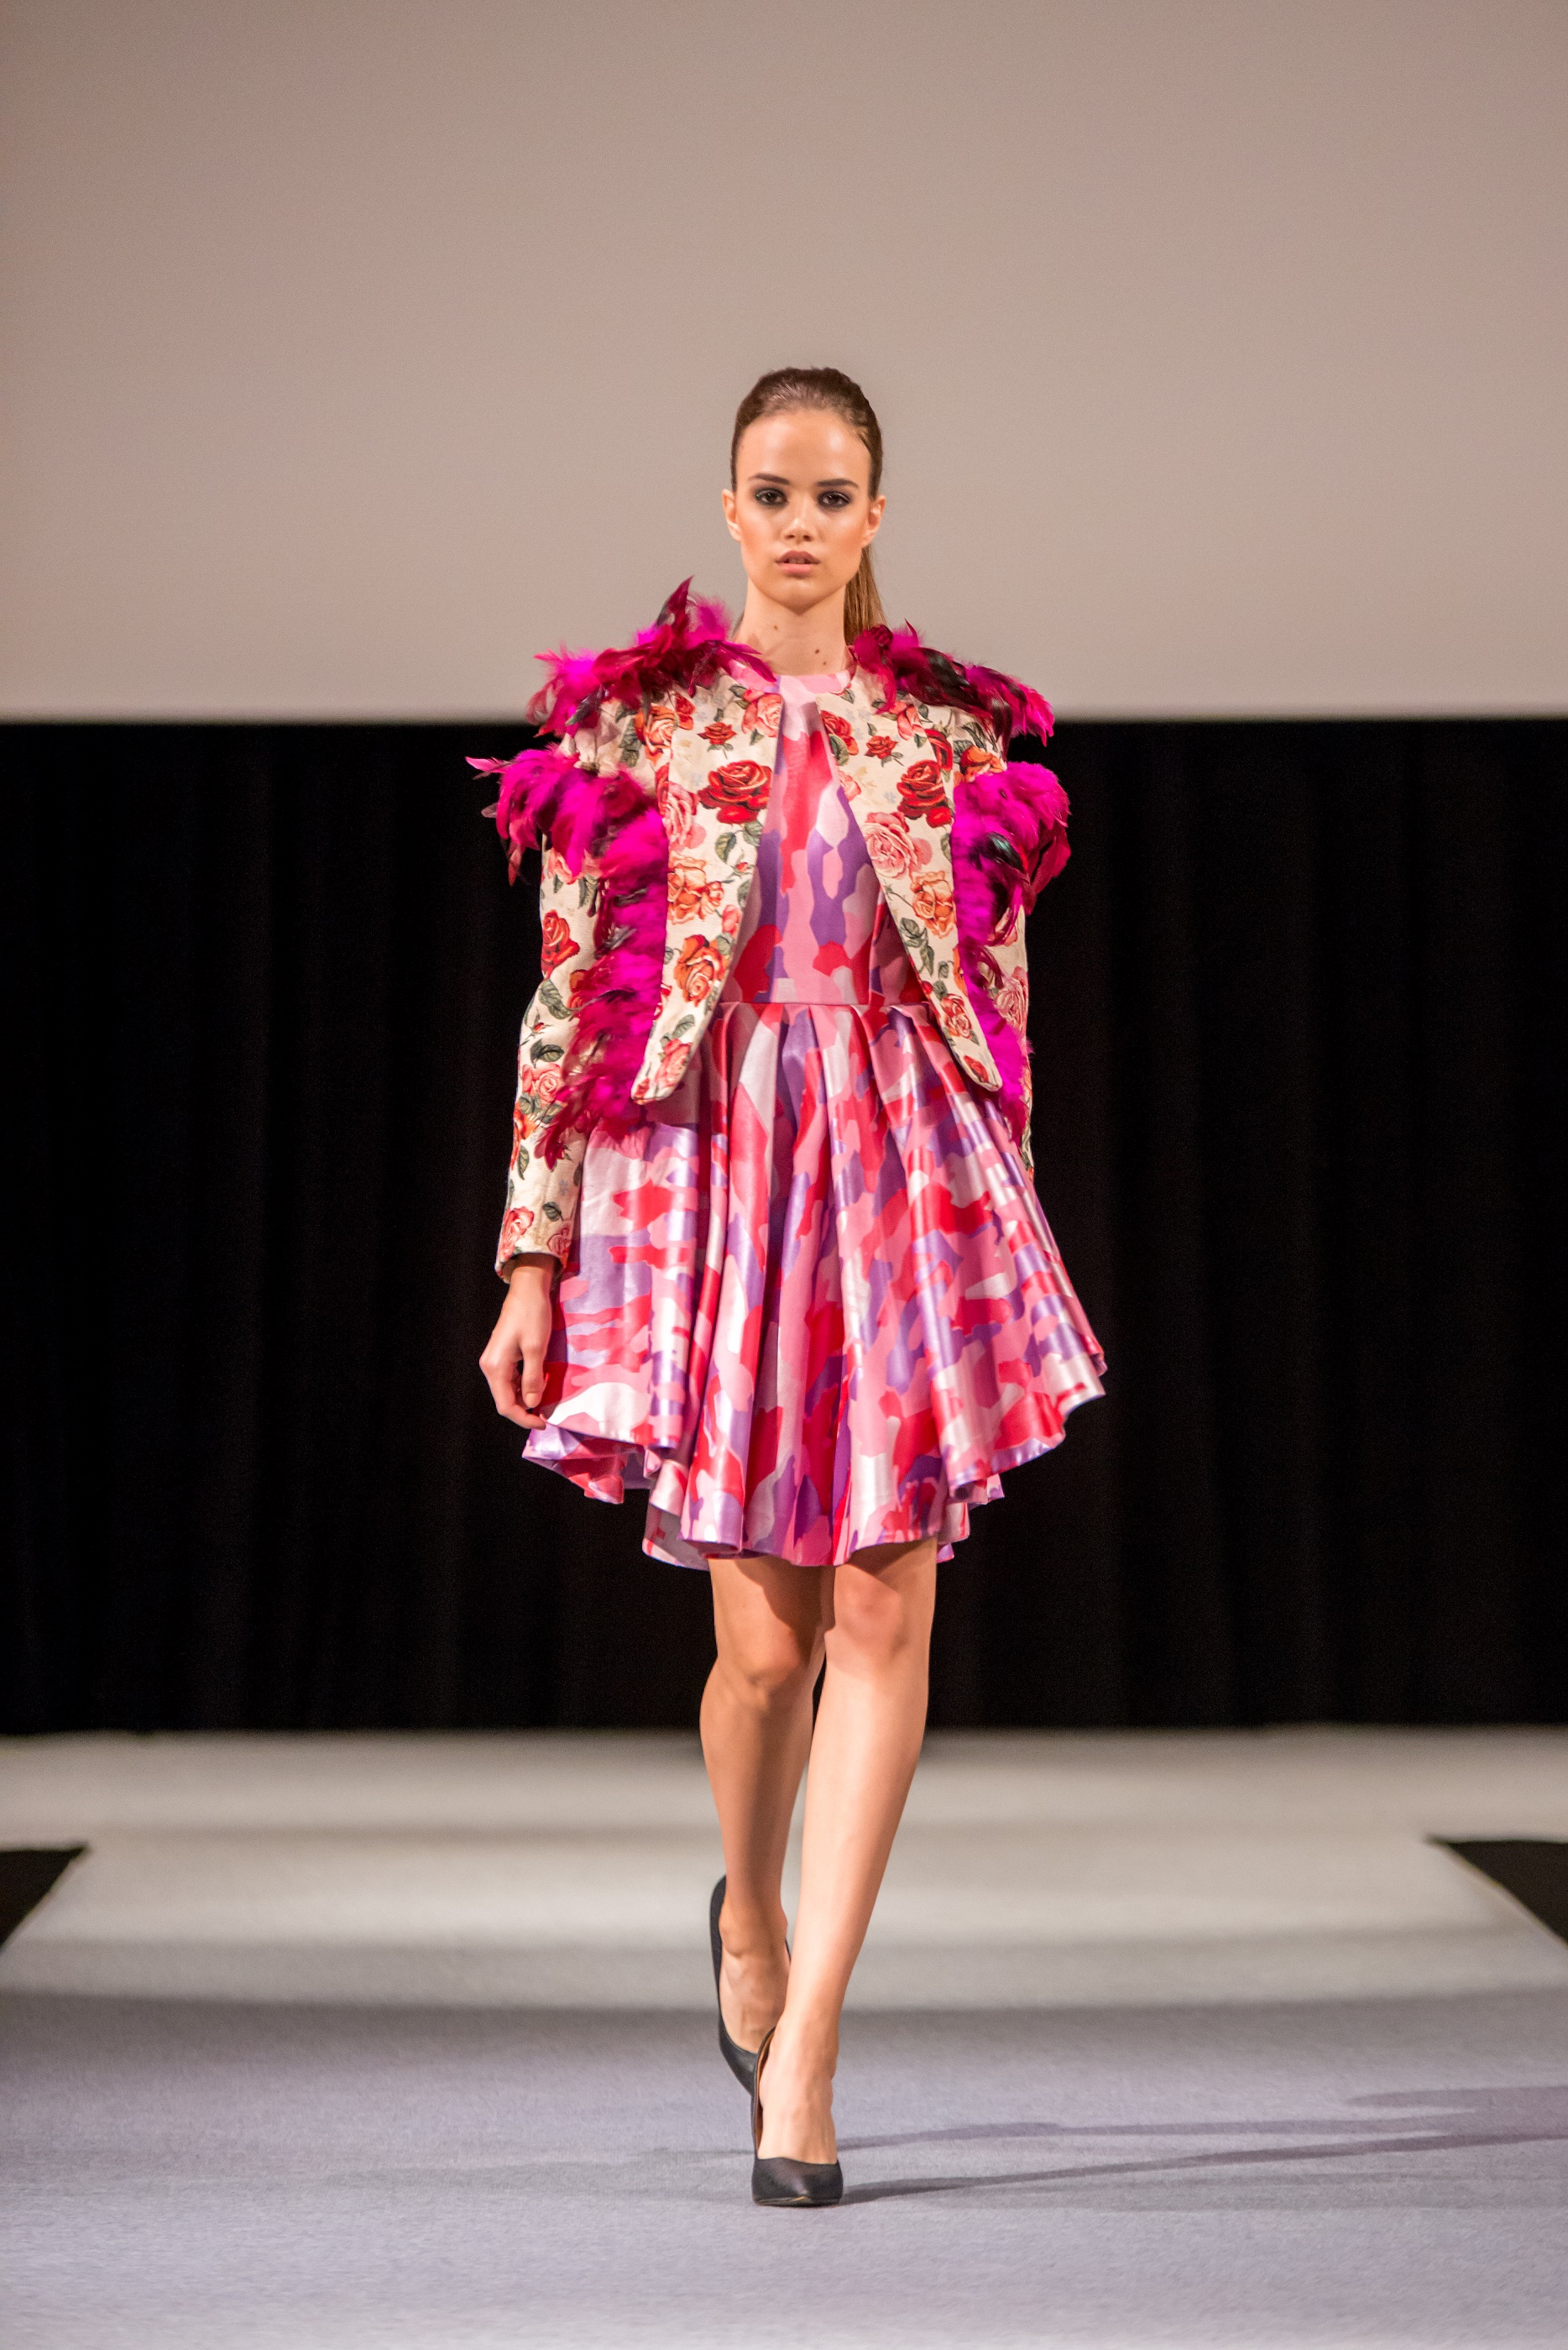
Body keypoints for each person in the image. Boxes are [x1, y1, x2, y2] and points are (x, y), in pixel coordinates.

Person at [478, 367, 1104, 2206]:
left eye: (834, 494)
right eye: (773, 490)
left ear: (875, 515)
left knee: (886, 1616)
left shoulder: (948, 732)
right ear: (730, 507)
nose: (803, 521)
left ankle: (812, 2044)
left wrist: (1004, 1212)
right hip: (716, 1160)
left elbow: (995, 998)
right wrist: (533, 1255)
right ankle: (745, 1909)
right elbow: (570, 996)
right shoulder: (640, 725)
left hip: (903, 1164)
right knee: (762, 1650)